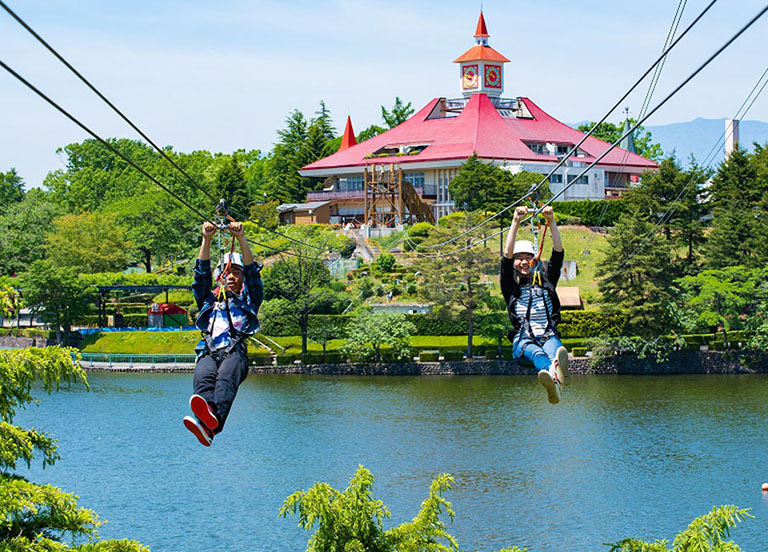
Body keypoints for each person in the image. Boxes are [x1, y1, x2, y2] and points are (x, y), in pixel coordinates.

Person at [183, 220, 263, 446]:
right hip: (209, 350)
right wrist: (206, 239)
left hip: (234, 352)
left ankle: (213, 425)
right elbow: (201, 277)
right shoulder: (209, 300)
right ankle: (205, 424)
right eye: (226, 273)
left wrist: (241, 239)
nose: (231, 276)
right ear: (220, 277)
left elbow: (253, 275)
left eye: (236, 273)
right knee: (202, 380)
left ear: (242, 279)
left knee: (225, 383)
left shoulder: (249, 299)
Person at [501, 205, 570, 404]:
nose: (523, 262)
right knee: (539, 353)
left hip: (548, 336)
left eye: (528, 258)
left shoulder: (547, 281)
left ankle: (554, 382)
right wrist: (515, 221)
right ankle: (553, 371)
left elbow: (558, 253)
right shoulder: (510, 287)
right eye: (519, 259)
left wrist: (552, 221)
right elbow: (505, 258)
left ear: (535, 260)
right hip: (523, 344)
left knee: (555, 351)